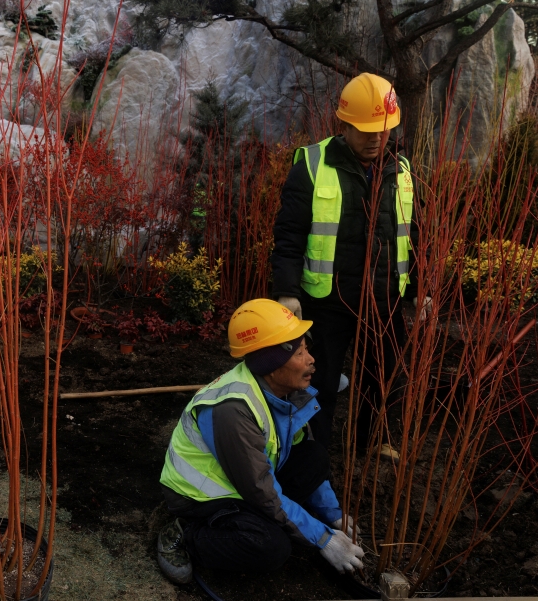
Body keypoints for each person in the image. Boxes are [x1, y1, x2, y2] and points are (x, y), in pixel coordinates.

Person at [270, 72, 426, 456]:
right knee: (318, 380)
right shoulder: (311, 164)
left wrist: (422, 291)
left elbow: (413, 235)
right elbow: (289, 236)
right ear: (345, 124)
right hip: (329, 301)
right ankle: (312, 452)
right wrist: (288, 292)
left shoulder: (401, 170)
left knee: (385, 377)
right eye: (366, 130)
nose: (376, 139)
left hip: (385, 298)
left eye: (383, 130)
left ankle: (371, 441)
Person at [157, 299, 363, 585]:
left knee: (314, 456)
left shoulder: (284, 392)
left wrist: (333, 516)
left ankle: (273, 520)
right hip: (201, 496)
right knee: (271, 547)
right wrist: (324, 539)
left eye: (306, 349)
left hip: (244, 479)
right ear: (272, 364)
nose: (311, 359)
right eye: (300, 352)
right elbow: (260, 489)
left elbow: (294, 455)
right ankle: (187, 535)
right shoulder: (232, 410)